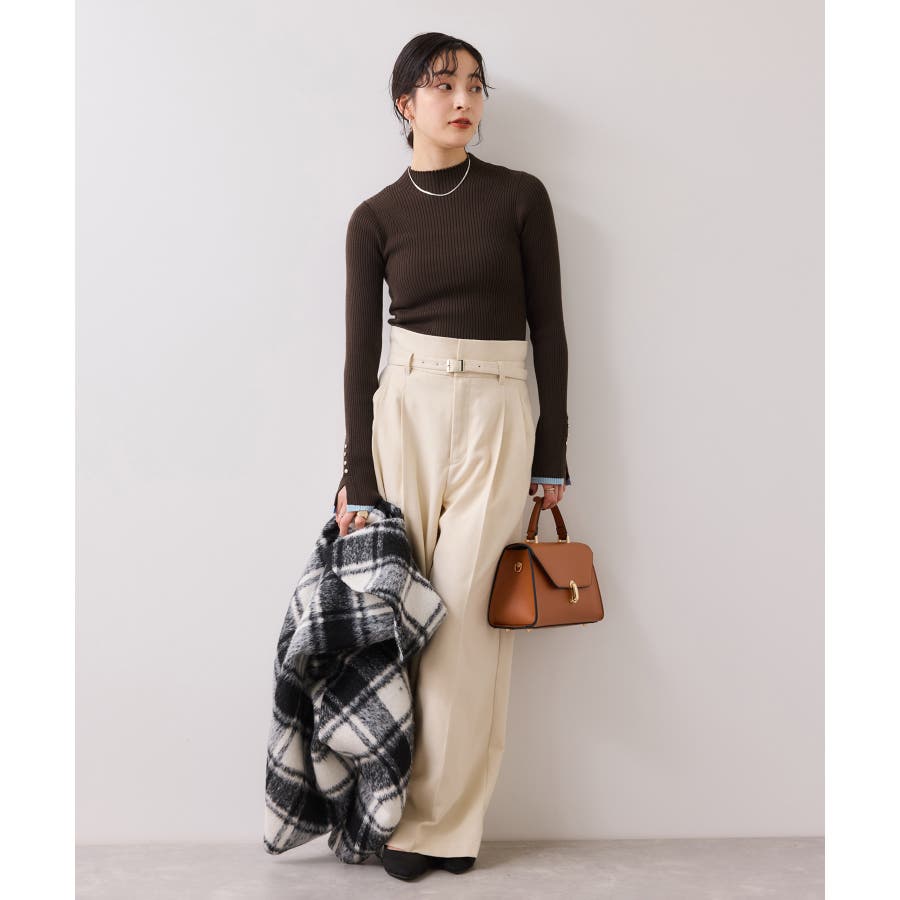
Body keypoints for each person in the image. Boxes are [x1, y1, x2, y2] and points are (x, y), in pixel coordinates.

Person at [330, 33, 572, 881]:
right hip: (406, 410)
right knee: (401, 621)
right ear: (406, 104)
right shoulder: (374, 218)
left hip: (499, 411)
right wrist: (357, 476)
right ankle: (386, 808)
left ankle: (439, 827)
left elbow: (551, 330)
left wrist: (552, 455)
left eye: (474, 84)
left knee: (466, 623)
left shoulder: (520, 197)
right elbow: (359, 361)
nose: (463, 98)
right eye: (442, 85)